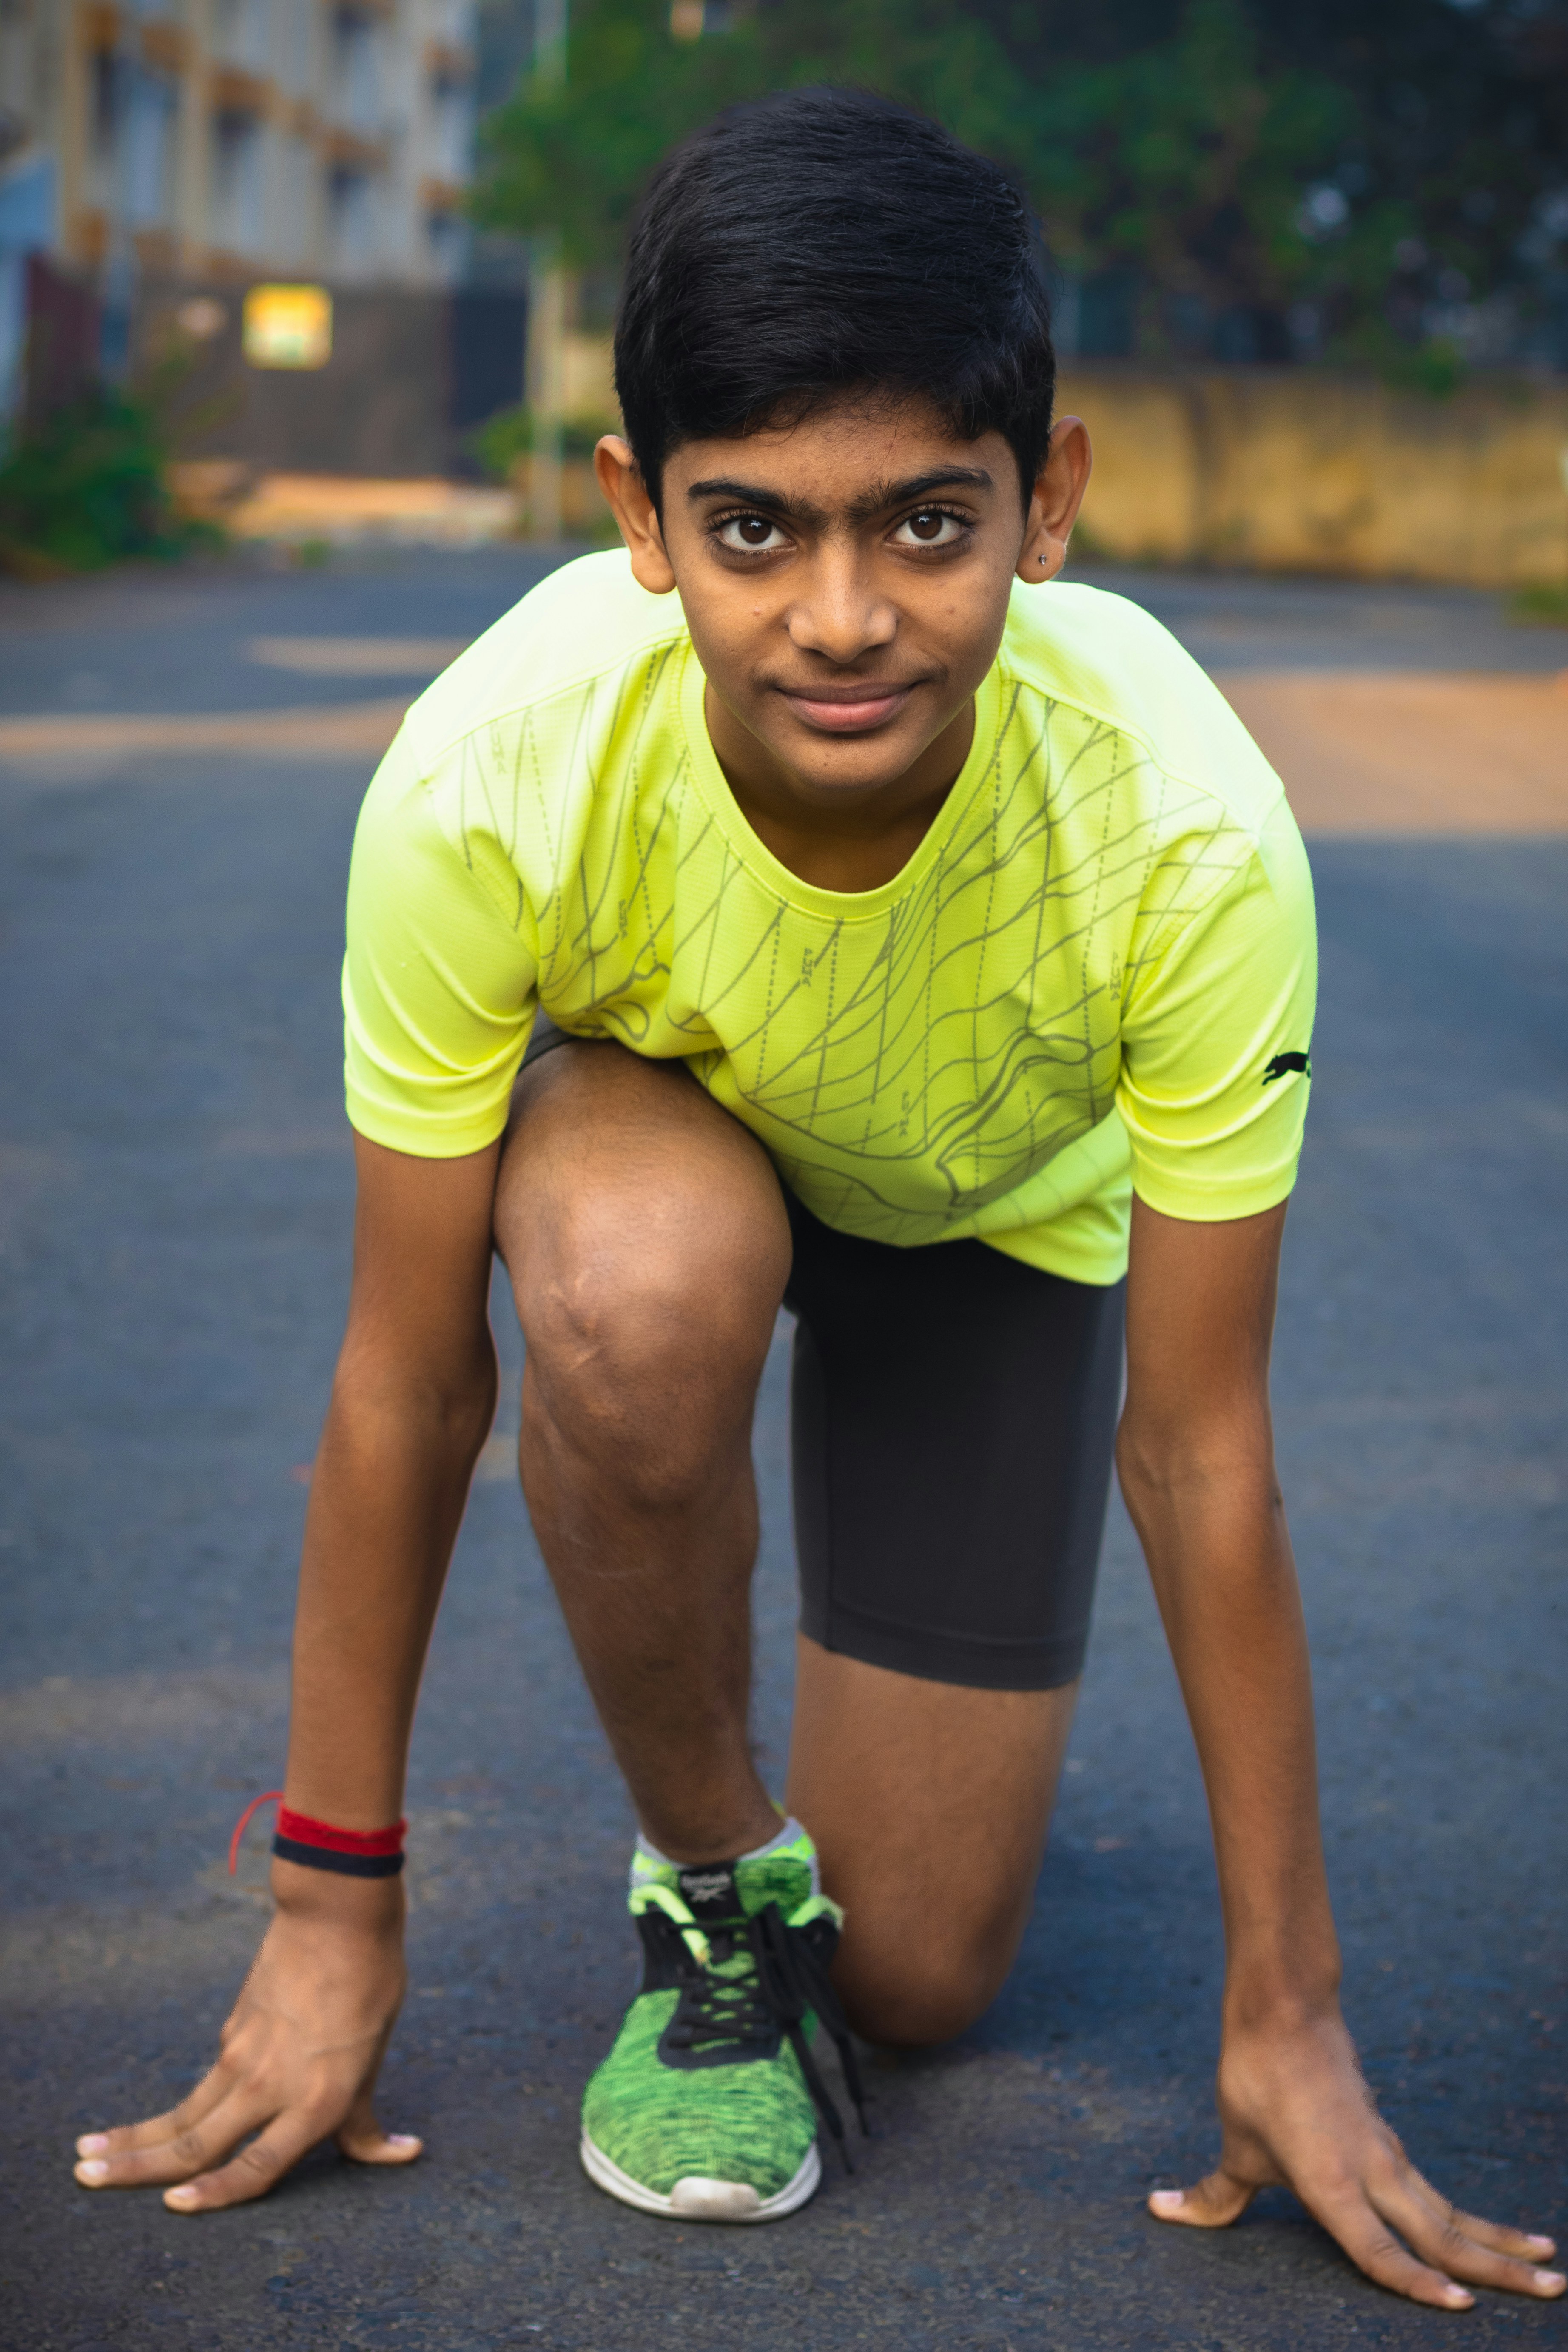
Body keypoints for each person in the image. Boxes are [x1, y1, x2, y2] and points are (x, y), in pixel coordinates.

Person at [71, 88, 1561, 2310]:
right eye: (753, 528)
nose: (842, 618)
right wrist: (327, 1904)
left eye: (925, 524)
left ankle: (839, 1878)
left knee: (922, 1978)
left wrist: (1290, 2011)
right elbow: (408, 1381)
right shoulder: (492, 777)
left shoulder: (1185, 831)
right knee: (630, 1284)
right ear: (639, 516)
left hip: (989, 1218)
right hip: (671, 1144)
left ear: (1048, 502)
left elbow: (1200, 1444)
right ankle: (712, 1889)